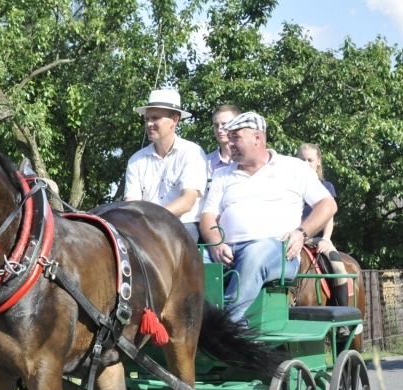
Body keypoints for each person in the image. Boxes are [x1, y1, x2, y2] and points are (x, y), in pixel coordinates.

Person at [200, 112, 337, 325]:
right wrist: (216, 243)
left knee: (257, 252)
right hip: (226, 251)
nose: (229, 142)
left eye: (236, 137)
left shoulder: (293, 168)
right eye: (229, 137)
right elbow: (208, 217)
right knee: (191, 261)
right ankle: (191, 327)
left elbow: (327, 204)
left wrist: (301, 233)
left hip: (277, 250)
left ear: (257, 138)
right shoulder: (222, 175)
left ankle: (225, 325)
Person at [123, 89, 210, 243]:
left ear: (175, 119)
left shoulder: (192, 152)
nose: (149, 124)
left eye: (155, 118)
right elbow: (131, 204)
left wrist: (151, 218)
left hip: (184, 226)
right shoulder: (136, 160)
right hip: (146, 229)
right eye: (147, 119)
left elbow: (187, 201)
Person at [296, 143, 350, 332]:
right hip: (293, 238)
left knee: (337, 266)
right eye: (302, 159)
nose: (306, 163)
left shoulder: (325, 186)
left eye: (310, 160)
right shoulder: (291, 185)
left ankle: (343, 318)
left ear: (318, 162)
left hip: (318, 239)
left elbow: (329, 217)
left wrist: (326, 239)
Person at [206, 104, 241, 174]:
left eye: (224, 124)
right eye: (216, 125)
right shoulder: (206, 162)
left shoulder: (248, 160)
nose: (219, 130)